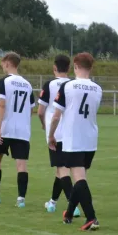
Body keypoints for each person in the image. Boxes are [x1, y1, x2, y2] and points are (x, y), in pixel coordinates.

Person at [48, 52, 102, 231]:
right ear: (91, 67)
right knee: (81, 177)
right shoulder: (98, 88)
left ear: (76, 66)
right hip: (90, 138)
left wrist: (51, 135)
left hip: (73, 137)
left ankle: (91, 217)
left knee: (79, 178)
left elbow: (56, 116)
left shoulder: (68, 86)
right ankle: (69, 213)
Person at [0, 52, 35, 207]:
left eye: (2, 63)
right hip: (22, 130)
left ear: (7, 63)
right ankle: (21, 200)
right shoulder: (27, 84)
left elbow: (1, 105)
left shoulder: (3, 82)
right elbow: (31, 109)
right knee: (21, 165)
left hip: (6, 128)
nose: (2, 66)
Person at [38, 55, 80, 217]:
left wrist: (44, 124)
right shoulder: (73, 85)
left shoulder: (49, 85)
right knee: (60, 170)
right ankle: (53, 202)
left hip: (55, 133)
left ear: (54, 68)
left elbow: (41, 111)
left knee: (62, 169)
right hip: (71, 131)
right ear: (69, 69)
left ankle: (73, 205)